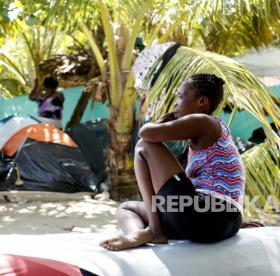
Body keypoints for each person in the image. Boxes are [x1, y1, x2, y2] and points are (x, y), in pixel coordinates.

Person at [100, 74, 247, 251]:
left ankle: (155, 231)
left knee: (144, 145)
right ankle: (139, 233)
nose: (176, 103)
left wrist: (163, 121)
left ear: (202, 101)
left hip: (209, 216)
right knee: (127, 209)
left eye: (181, 96)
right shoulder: (209, 135)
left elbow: (146, 133)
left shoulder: (204, 121)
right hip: (216, 220)